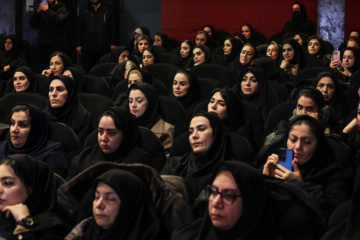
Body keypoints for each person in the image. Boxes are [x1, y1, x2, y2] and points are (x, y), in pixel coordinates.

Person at [263, 114, 351, 214]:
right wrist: (265, 180)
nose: (298, 146)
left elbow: (337, 216)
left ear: (318, 145)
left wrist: (300, 187)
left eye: (307, 142)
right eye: (293, 139)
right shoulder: (277, 165)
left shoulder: (334, 174)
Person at [171, 161, 275, 240]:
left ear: (251, 204)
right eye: (214, 191)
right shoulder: (184, 236)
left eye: (229, 195)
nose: (216, 203)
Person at [64, 169, 165, 240]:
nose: (99, 205)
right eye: (96, 197)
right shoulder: (84, 233)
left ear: (129, 206)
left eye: (110, 199)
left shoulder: (152, 235)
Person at [161, 111, 239, 200]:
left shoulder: (231, 172)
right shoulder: (174, 164)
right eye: (191, 132)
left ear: (216, 134)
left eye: (201, 129)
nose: (194, 136)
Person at [67, 107, 151, 179]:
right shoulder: (83, 158)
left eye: (112, 133)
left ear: (125, 135)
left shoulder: (139, 163)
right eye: (100, 132)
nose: (103, 138)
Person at [0, 154, 70, 240]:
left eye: (8, 183)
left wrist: (25, 223)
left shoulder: (54, 227)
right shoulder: (3, 216)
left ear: (31, 188)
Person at [0, 104, 67, 176]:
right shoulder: (2, 149)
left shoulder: (52, 154)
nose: (14, 129)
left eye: (22, 125)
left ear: (35, 130)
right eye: (13, 123)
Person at [207, 87, 262, 152]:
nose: (213, 106)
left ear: (231, 110)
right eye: (212, 101)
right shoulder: (203, 127)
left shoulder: (241, 136)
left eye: (221, 104)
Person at [45, 75, 92, 147]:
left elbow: (79, 149)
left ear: (70, 93)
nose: (53, 94)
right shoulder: (42, 115)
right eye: (51, 90)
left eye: (60, 89)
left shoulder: (83, 118)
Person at [128, 82, 174, 152]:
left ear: (150, 103)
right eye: (130, 101)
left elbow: (161, 160)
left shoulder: (166, 130)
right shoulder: (125, 125)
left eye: (139, 101)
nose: (133, 105)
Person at [76, 0, 118, 73]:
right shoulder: (84, 11)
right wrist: (78, 44)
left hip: (104, 48)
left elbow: (114, 28)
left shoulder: (108, 10)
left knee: (103, 71)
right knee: (88, 71)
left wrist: (113, 43)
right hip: (88, 48)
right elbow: (79, 29)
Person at [29, 0, 68, 70]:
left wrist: (47, 10)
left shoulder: (62, 9)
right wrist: (38, 12)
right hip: (43, 45)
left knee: (55, 67)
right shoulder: (43, 9)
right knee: (43, 68)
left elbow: (59, 21)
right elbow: (33, 24)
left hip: (56, 45)